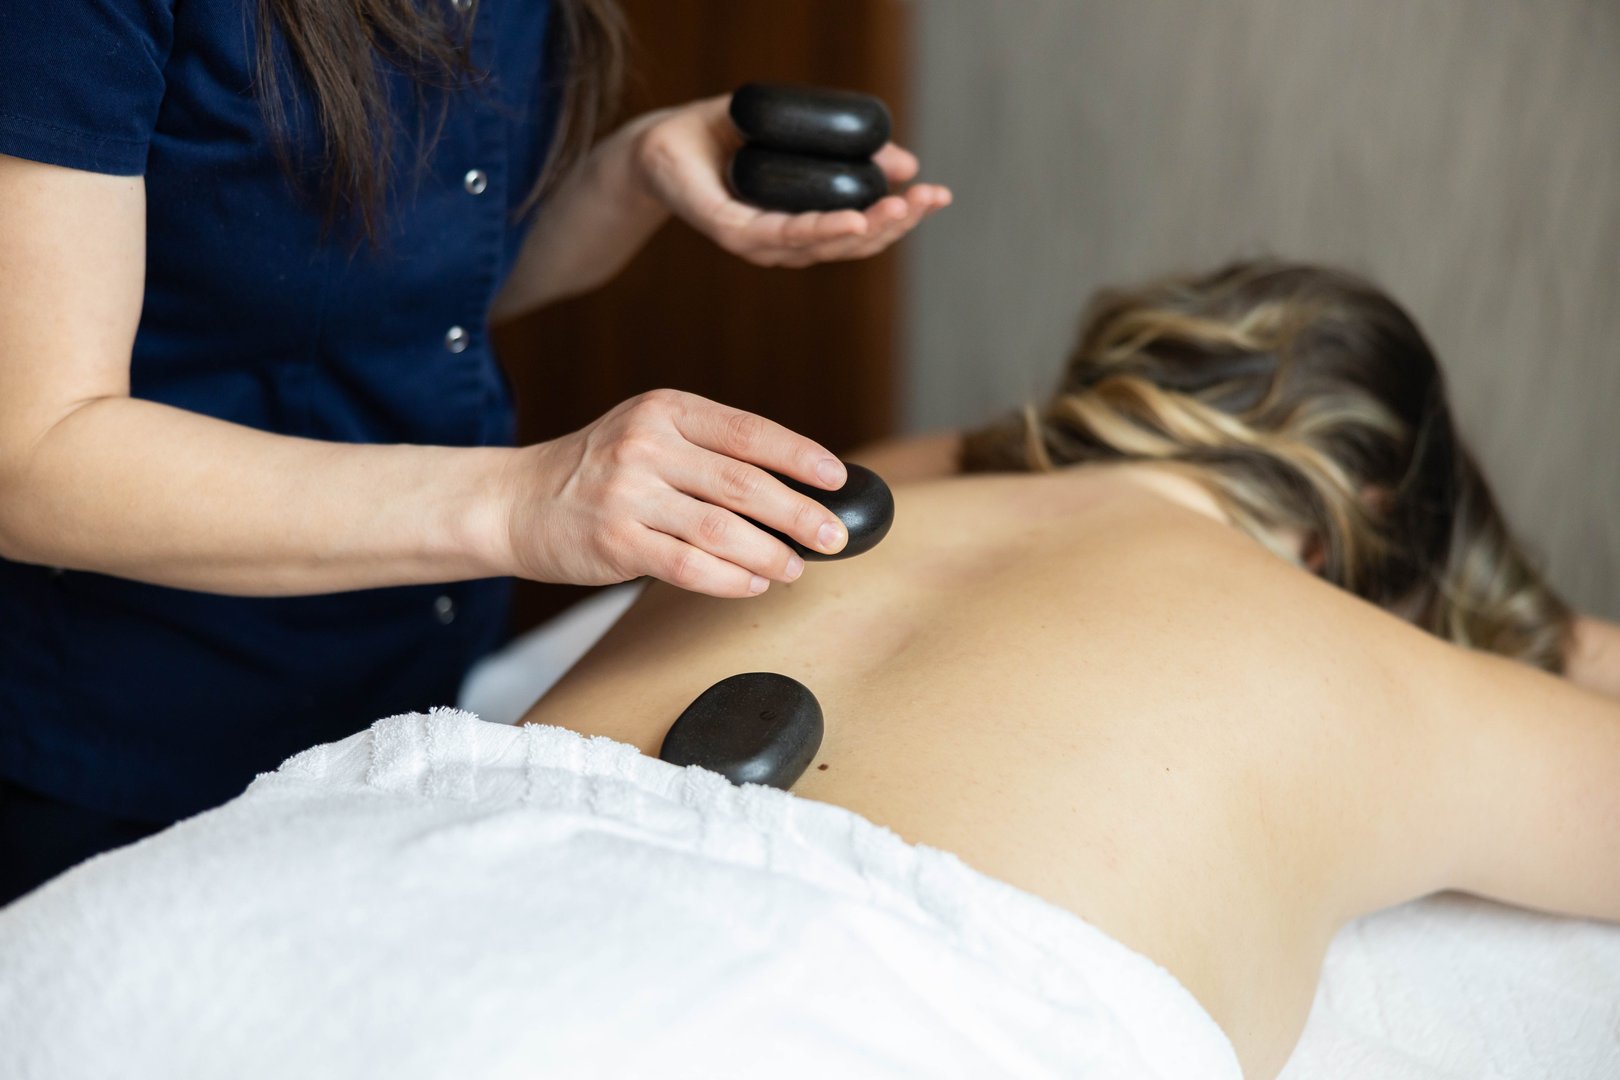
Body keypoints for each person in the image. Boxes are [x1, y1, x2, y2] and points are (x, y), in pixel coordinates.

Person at [513, 260, 1620, 1078]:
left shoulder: (827, 499)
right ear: (1359, 535)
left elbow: (966, 444)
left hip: (438, 866)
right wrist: (1515, 612)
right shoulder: (1365, 662)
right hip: (895, 1017)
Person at [0, 0, 951, 903]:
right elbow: (32, 461)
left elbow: (422, 295)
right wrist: (520, 501)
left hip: (410, 687)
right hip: (134, 732)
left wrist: (632, 174)